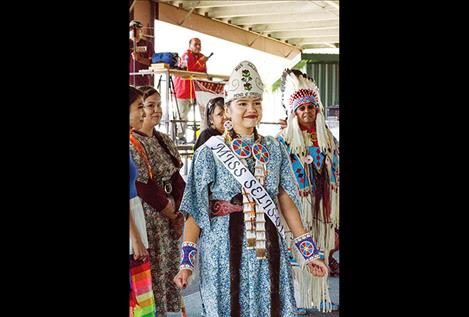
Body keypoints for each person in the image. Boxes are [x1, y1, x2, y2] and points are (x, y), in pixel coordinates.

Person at [173, 61, 328, 317]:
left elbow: (285, 199)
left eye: (256, 102)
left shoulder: (274, 148)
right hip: (222, 249)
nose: (251, 109)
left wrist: (309, 253)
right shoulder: (209, 152)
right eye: (242, 103)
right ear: (228, 109)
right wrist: (186, 263)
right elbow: (196, 210)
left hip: (267, 249)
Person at [277, 69, 340, 312]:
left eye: (310, 107)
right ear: (294, 112)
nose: (306, 112)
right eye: (301, 108)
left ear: (318, 110)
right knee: (297, 250)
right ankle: (298, 298)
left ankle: (320, 295)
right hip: (296, 205)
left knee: (321, 248)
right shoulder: (283, 140)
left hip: (323, 203)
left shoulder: (329, 140)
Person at [130, 86, 186, 316]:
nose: (152, 111)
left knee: (168, 268)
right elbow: (143, 186)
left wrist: (182, 212)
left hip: (170, 211)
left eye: (157, 105)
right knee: (150, 271)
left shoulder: (164, 139)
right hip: (151, 214)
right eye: (145, 106)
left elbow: (176, 177)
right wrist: (170, 212)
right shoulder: (134, 142)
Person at [129, 86, 156, 317]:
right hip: (131, 230)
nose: (144, 114)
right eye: (139, 108)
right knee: (137, 299)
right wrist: (135, 239)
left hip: (135, 221)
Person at [173, 38, 209, 143]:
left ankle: (203, 136)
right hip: (183, 90)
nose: (198, 46)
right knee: (183, 115)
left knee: (205, 114)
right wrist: (200, 62)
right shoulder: (185, 56)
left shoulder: (202, 57)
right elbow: (187, 70)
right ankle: (180, 137)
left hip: (196, 91)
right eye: (195, 44)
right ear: (190, 46)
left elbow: (203, 73)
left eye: (200, 44)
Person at [129, 20, 154, 87]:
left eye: (136, 29)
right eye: (131, 29)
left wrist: (140, 59)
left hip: (142, 83)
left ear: (141, 30)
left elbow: (152, 62)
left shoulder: (147, 44)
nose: (133, 31)